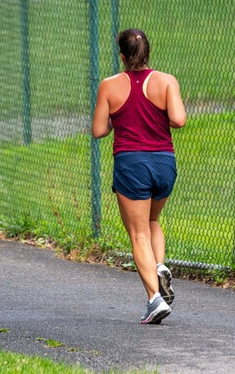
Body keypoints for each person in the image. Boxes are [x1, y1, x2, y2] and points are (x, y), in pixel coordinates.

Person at [92, 28, 187, 324]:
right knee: (151, 221)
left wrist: (114, 119)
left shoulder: (110, 85)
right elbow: (178, 120)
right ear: (148, 53)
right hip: (164, 163)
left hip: (132, 165)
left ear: (121, 55)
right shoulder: (167, 81)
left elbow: (98, 131)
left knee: (138, 234)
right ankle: (159, 267)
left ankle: (154, 299)